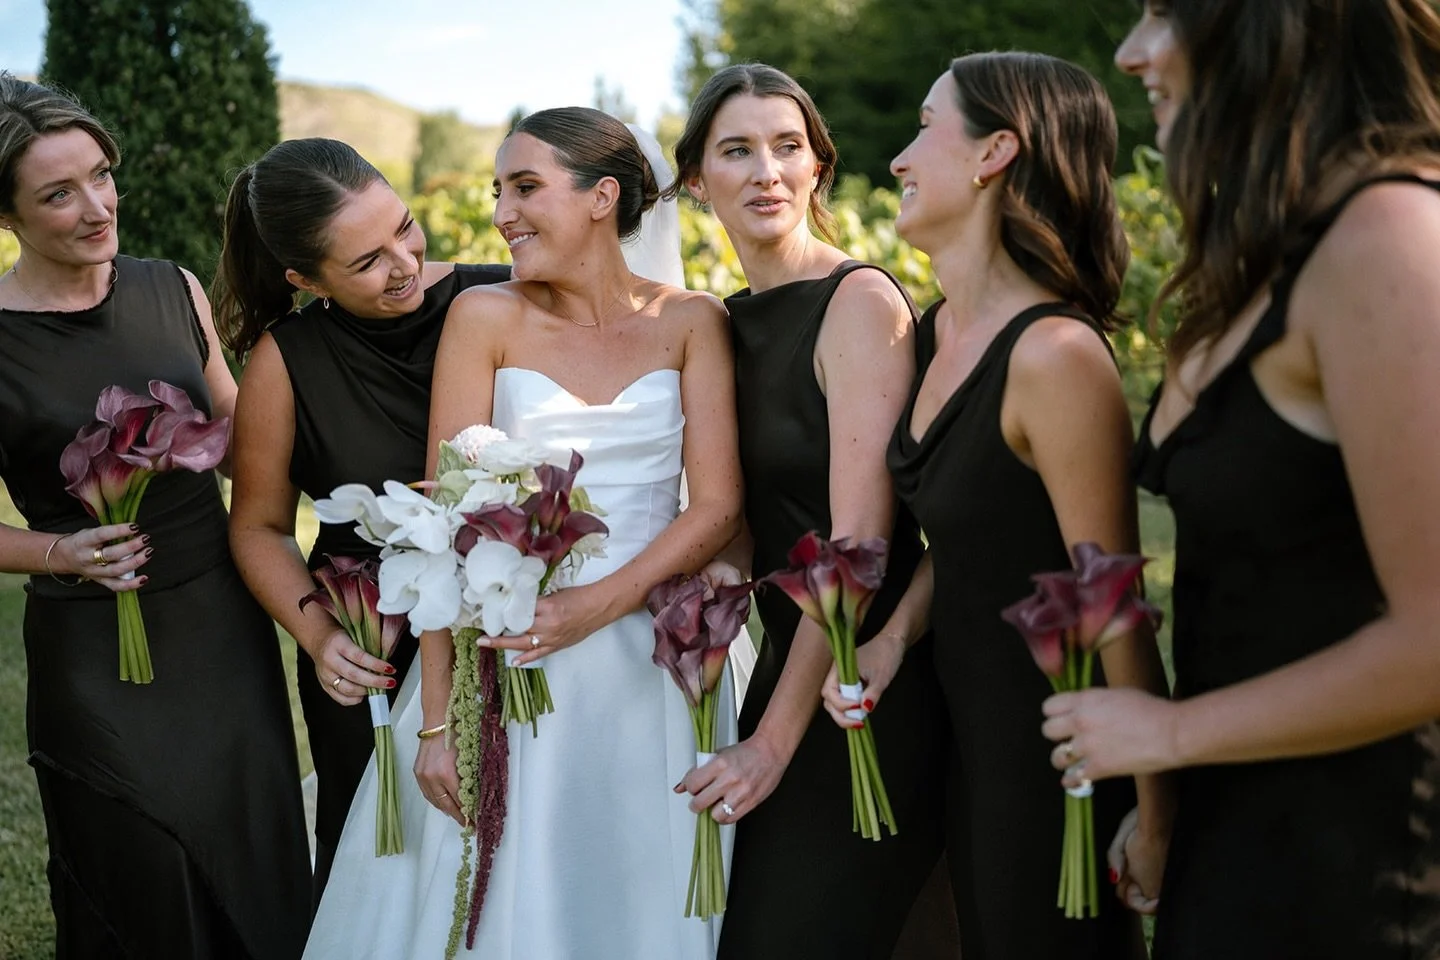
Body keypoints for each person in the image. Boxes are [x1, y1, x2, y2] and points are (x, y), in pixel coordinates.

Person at [1038, 3, 1440, 957]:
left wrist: (1167, 734)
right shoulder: (1273, 254)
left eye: (1165, 13)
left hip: (1364, 873)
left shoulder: (1389, 234)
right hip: (1243, 837)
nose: (1131, 53)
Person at [303, 108, 744, 960]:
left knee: (642, 893)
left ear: (602, 198)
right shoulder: (483, 318)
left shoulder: (694, 322)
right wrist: (436, 723)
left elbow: (717, 507)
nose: (502, 211)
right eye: (499, 188)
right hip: (499, 666)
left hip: (655, 664)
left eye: (525, 187)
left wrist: (594, 607)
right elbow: (440, 524)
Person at [822, 51, 1174, 958]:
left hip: (1055, 756)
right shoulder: (937, 331)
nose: (899, 158)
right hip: (962, 735)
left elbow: (1115, 604)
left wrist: (1161, 816)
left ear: (996, 152)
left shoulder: (1056, 357)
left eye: (926, 125)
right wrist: (894, 636)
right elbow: (978, 527)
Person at [0, 73, 310, 958]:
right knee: (139, 876)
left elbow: (251, 435)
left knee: (252, 864)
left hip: (219, 627)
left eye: (101, 174)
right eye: (59, 193)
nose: (99, 206)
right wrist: (61, 552)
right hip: (93, 643)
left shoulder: (170, 286)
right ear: (7, 215)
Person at [666, 64, 956, 959]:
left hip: (865, 681)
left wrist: (771, 745)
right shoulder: (725, 319)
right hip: (788, 665)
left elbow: (855, 548)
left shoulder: (859, 304)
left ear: (819, 167)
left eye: (788, 147)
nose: (767, 172)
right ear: (693, 180)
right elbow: (751, 515)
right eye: (737, 151)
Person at [214, 137, 510, 903]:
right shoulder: (285, 363)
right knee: (382, 881)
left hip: (508, 624)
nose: (405, 262)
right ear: (305, 279)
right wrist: (317, 636)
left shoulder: (499, 298)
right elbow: (258, 526)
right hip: (372, 638)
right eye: (367, 261)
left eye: (404, 228)